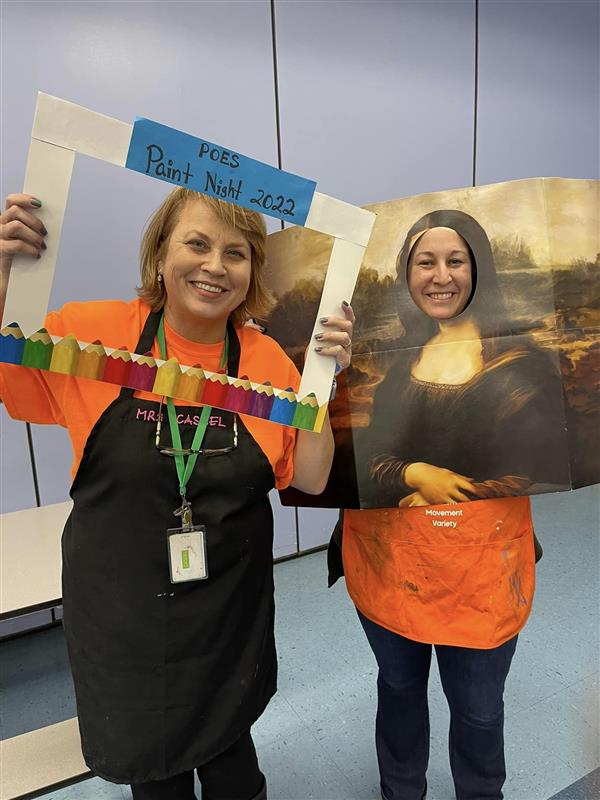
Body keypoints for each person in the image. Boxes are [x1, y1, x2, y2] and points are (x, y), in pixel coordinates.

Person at [0, 188, 354, 800]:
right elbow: (10, 370)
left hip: (226, 607)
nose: (215, 266)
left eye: (236, 253)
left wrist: (324, 386)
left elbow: (313, 476)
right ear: (161, 253)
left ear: (252, 272)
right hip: (123, 610)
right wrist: (4, 269)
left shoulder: (267, 361)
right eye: (196, 243)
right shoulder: (92, 334)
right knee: (155, 776)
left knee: (232, 763)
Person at [330, 210, 568, 800]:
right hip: (388, 563)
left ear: (478, 268)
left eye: (455, 260)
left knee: (481, 713)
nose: (441, 276)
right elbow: (366, 457)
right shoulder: (386, 363)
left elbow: (533, 465)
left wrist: (451, 488)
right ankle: (400, 792)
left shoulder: (524, 361)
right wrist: (414, 472)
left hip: (481, 571)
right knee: (399, 692)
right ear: (406, 274)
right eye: (425, 261)